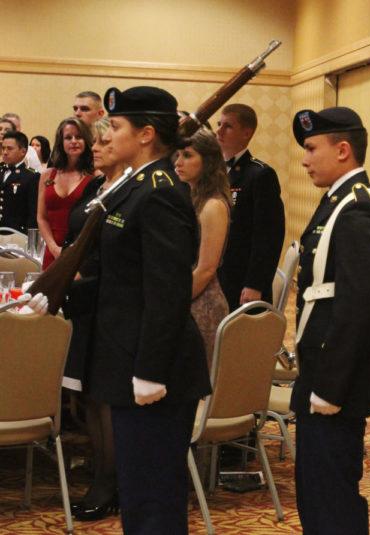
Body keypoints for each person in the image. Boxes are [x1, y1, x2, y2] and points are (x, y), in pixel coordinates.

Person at [88, 86, 210, 534]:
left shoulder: (159, 191)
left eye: (116, 126)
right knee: (138, 496)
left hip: (155, 370)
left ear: (145, 134)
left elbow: (167, 290)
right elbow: (120, 279)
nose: (108, 134)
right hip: (129, 356)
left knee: (155, 500)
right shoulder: (136, 185)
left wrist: (151, 369)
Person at [290, 106, 370, 534]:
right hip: (319, 368)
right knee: (314, 490)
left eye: (312, 148)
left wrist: (331, 385)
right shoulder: (336, 201)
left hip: (337, 378)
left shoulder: (360, 208)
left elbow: (358, 307)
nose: (305, 159)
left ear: (343, 150)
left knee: (333, 494)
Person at [62, 117, 121, 520]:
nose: (94, 148)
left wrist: (83, 271)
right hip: (84, 302)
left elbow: (117, 253)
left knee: (105, 400)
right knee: (89, 395)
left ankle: (109, 480)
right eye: (92, 142)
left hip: (105, 303)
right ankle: (102, 474)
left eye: (102, 141)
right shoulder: (97, 186)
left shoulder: (125, 192)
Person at [215, 103, 285, 310]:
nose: (218, 131)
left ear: (247, 133)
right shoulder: (213, 172)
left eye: (227, 126)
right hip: (218, 275)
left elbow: (268, 235)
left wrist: (255, 283)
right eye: (218, 124)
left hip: (241, 280)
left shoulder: (259, 174)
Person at [174, 128, 231, 364]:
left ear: (207, 161)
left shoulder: (212, 206)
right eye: (177, 155)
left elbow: (207, 267)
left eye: (187, 155)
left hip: (202, 304)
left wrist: (175, 301)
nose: (178, 162)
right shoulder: (192, 195)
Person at [37, 117, 93, 268]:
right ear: (61, 143)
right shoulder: (47, 175)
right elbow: (41, 217)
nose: (74, 141)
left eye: (79, 137)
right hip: (52, 251)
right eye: (68, 137)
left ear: (87, 140)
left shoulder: (97, 176)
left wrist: (72, 252)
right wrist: (54, 248)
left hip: (81, 253)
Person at [0, 131, 40, 232]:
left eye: (9, 148)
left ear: (23, 151)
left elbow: (33, 213)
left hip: (17, 234)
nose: (4, 152)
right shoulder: (1, 171)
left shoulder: (31, 176)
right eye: (3, 148)